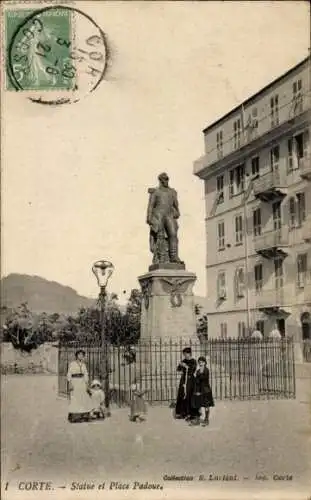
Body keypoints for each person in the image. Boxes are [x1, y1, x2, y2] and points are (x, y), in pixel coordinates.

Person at [146, 172, 182, 264]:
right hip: (159, 215)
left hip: (169, 215)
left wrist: (177, 212)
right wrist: (149, 218)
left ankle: (174, 256)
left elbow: (176, 206)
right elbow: (151, 206)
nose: (166, 181)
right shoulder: (156, 192)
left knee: (173, 234)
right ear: (160, 180)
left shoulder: (172, 192)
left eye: (167, 179)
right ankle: (162, 257)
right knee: (160, 236)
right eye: (164, 179)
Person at [190, 356, 214, 427]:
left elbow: (203, 379)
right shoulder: (197, 371)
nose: (201, 364)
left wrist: (199, 374)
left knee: (206, 405)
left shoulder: (206, 370)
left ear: (205, 363)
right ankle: (198, 419)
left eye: (202, 362)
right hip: (199, 390)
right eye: (199, 362)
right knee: (198, 404)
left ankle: (206, 419)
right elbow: (197, 381)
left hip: (206, 390)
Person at [175, 347, 198, 420]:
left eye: (185, 354)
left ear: (189, 353)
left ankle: (190, 414)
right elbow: (178, 369)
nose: (184, 355)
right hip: (183, 379)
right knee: (182, 395)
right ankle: (182, 413)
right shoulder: (184, 360)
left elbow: (192, 370)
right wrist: (180, 365)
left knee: (189, 396)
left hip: (190, 380)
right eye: (184, 354)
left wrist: (186, 366)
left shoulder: (193, 361)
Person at [67, 349, 90, 423]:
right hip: (74, 382)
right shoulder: (72, 364)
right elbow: (69, 373)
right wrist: (70, 383)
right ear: (76, 356)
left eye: (82, 355)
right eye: (79, 354)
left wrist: (86, 384)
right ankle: (74, 417)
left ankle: (82, 416)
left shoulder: (84, 365)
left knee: (82, 398)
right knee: (74, 399)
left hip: (82, 382)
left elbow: (86, 374)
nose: (81, 356)